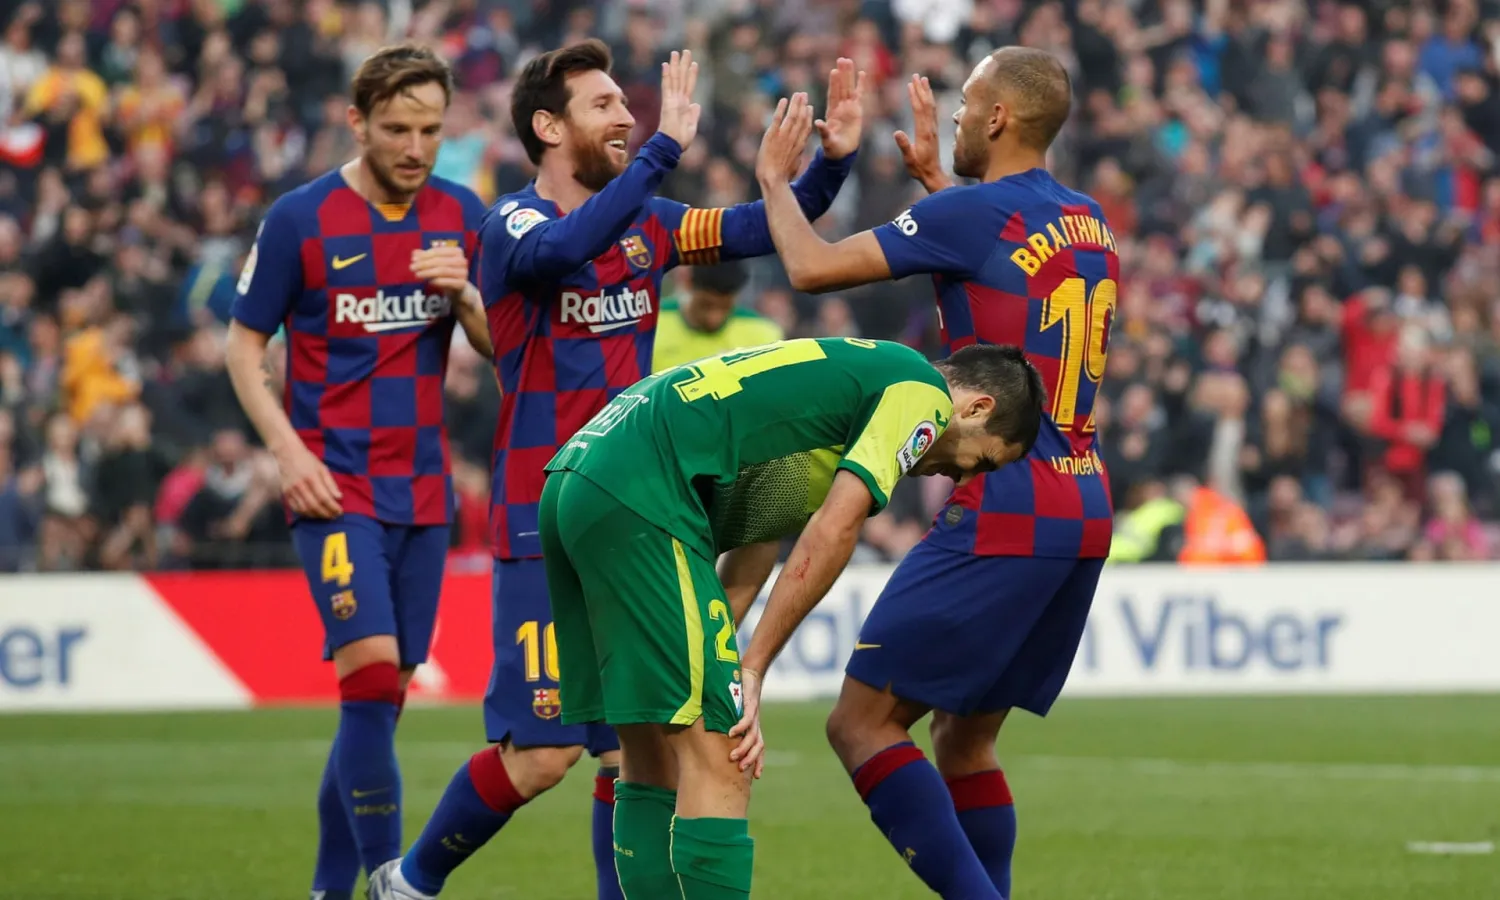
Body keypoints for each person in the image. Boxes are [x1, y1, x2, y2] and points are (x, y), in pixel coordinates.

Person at [368, 43, 863, 900]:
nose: (628, 117)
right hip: (543, 520)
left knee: (630, 749)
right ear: (548, 126)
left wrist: (830, 164)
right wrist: (664, 150)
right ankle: (408, 883)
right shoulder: (510, 226)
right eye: (604, 105)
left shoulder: (652, 224)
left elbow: (767, 225)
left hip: (636, 522)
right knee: (544, 754)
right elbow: (563, 250)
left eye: (626, 107)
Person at [750, 48, 1117, 899]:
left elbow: (809, 268)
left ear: (999, 118)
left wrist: (773, 180)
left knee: (861, 724)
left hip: (1006, 496)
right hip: (1081, 497)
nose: (953, 115)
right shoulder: (1088, 219)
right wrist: (937, 191)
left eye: (966, 103)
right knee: (964, 740)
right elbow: (1009, 264)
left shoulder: (970, 215)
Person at [539, 337, 1043, 900]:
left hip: (580, 476)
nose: (963, 478)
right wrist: (750, 671)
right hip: (642, 492)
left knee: (650, 751)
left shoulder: (847, 385)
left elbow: (759, 528)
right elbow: (837, 526)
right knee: (726, 754)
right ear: (976, 408)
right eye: (983, 461)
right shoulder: (922, 392)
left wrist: (724, 660)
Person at [223, 44, 492, 900]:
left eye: (430, 130)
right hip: (333, 485)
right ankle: (390, 882)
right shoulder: (300, 219)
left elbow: (504, 347)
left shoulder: (461, 214)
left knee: (379, 701)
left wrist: (468, 296)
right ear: (357, 122)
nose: (416, 148)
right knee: (370, 675)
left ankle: (328, 889)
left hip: (424, 490)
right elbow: (242, 347)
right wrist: (287, 451)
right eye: (398, 129)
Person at [651, 261, 783, 372]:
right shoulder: (653, 323)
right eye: (705, 306)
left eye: (725, 307)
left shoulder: (762, 334)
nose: (714, 319)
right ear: (688, 284)